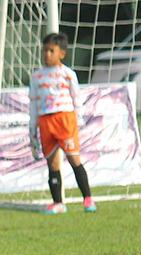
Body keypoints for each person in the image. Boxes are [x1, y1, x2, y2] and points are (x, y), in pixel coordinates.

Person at [28, 31, 97, 214]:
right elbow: (34, 103)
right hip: (45, 121)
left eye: (51, 51)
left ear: (62, 53)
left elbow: (76, 97)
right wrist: (32, 127)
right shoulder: (36, 77)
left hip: (64, 118)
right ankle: (58, 202)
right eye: (45, 50)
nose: (47, 55)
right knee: (52, 163)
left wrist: (79, 118)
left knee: (74, 158)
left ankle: (88, 199)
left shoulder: (67, 74)